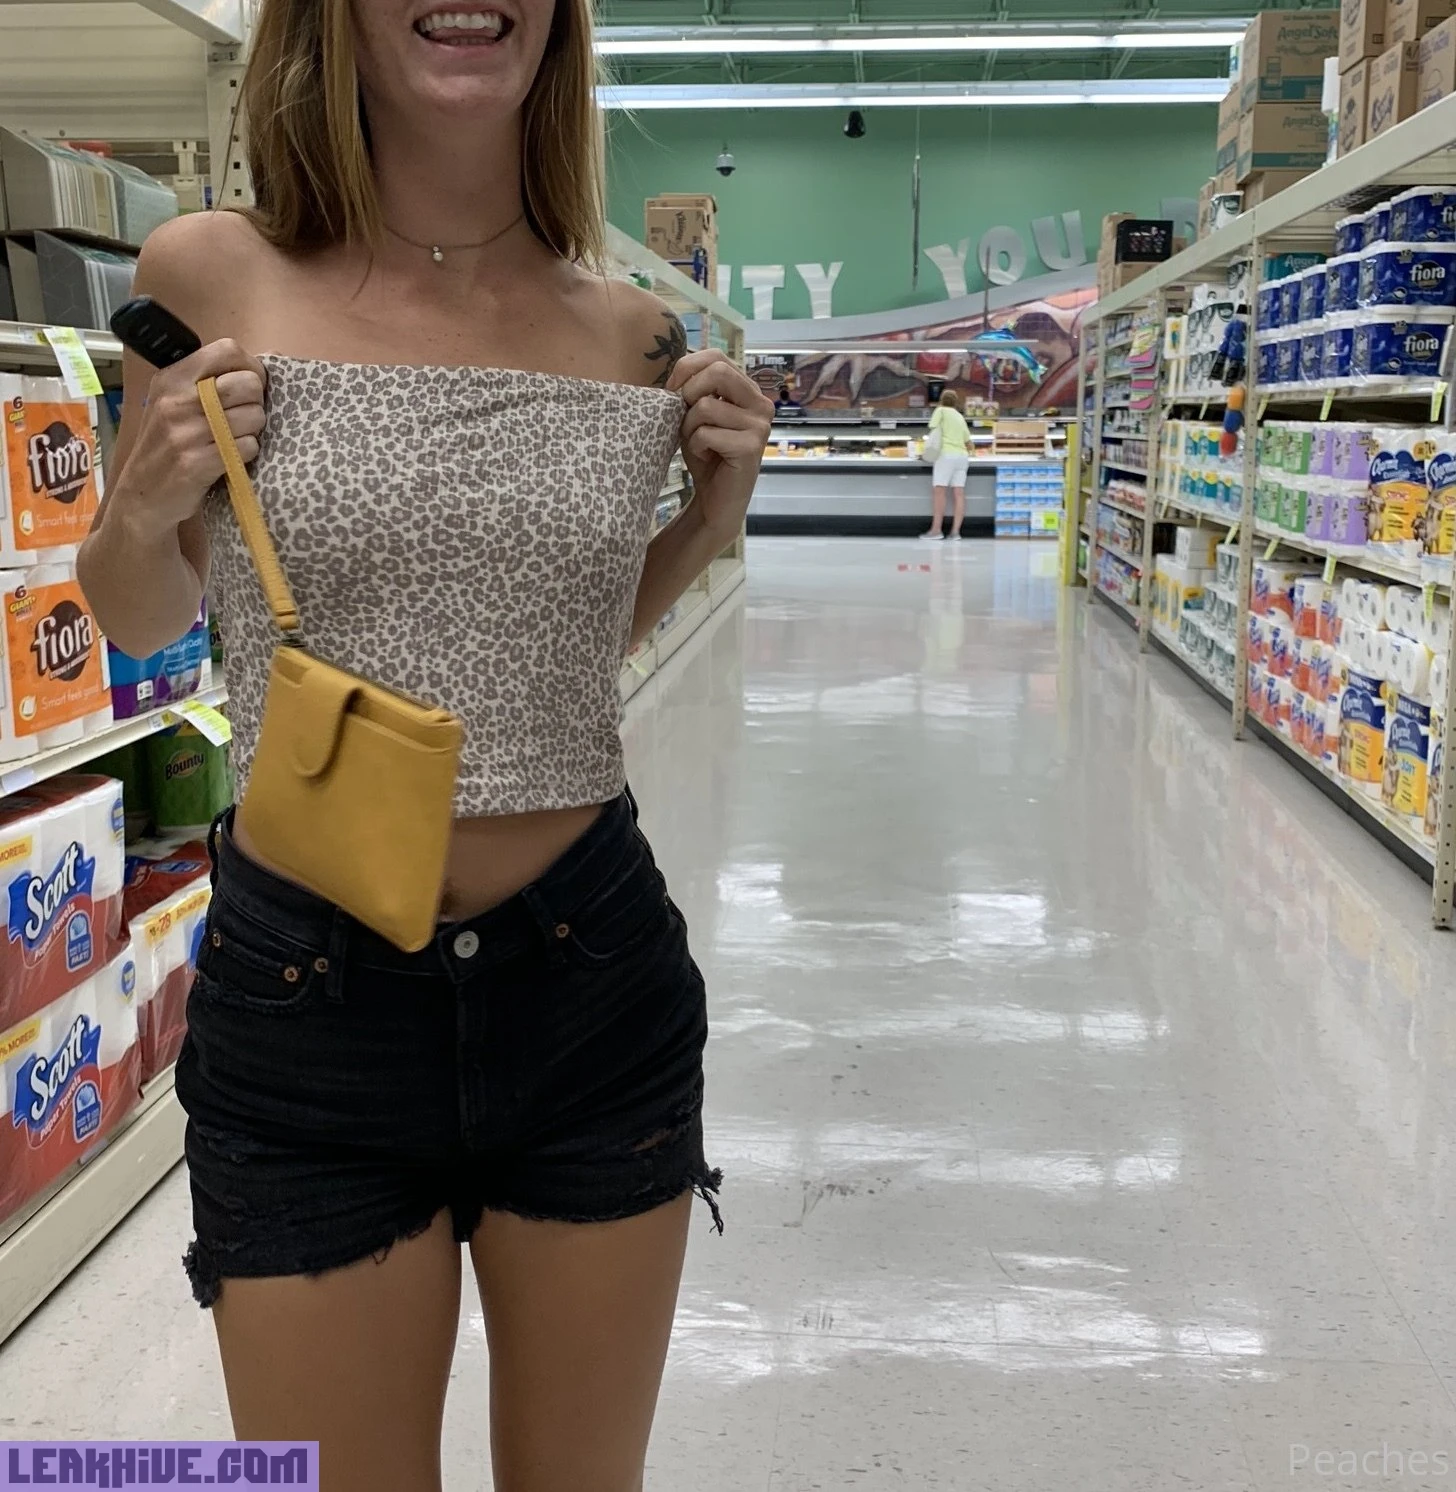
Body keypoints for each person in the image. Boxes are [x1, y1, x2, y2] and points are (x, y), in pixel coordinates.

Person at [75, 0, 774, 1486]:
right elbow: (140, 616)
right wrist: (141, 503)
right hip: (308, 1002)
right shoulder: (207, 274)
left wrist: (704, 528)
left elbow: (556, 661)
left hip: (591, 986)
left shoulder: (633, 337)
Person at [925, 388, 972, 541]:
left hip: (946, 455)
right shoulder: (959, 416)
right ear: (956, 401)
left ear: (942, 400)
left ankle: (936, 531)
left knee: (939, 491)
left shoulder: (941, 411)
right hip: (962, 457)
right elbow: (968, 441)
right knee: (959, 493)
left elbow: (932, 427)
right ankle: (955, 532)